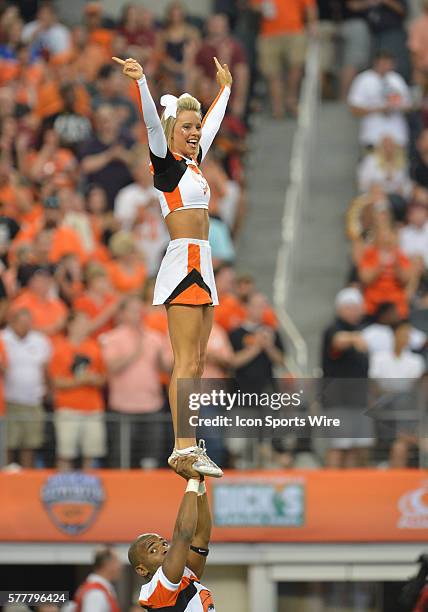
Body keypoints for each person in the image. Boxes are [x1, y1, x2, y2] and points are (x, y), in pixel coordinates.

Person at [112, 54, 233, 477]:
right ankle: (182, 446)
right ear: (171, 132)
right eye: (187, 127)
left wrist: (226, 90)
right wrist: (142, 83)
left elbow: (213, 125)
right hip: (184, 262)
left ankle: (190, 441)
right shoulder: (165, 168)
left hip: (205, 263)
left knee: (198, 363)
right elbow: (149, 125)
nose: (196, 133)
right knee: (184, 360)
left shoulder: (194, 166)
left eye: (196, 127)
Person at [128, 455, 216, 611]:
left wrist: (200, 483)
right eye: (153, 550)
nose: (163, 548)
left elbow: (201, 538)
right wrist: (192, 480)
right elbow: (184, 535)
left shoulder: (185, 575)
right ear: (142, 569)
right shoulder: (159, 589)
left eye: (163, 543)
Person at [321, 288, 373, 468]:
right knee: (338, 446)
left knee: (355, 448)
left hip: (358, 399)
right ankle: (331, 489)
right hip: (338, 401)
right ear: (340, 309)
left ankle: (350, 490)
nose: (354, 311)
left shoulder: (360, 330)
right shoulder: (334, 328)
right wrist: (354, 338)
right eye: (349, 307)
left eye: (356, 307)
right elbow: (337, 340)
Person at [49, 311, 107, 471]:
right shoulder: (60, 348)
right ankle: (62, 490)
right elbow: (56, 381)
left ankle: (90, 491)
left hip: (93, 408)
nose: (85, 326)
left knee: (91, 454)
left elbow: (103, 378)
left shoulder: (95, 347)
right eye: (81, 323)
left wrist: (93, 380)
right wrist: (81, 381)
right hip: (67, 408)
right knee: (65, 453)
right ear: (71, 325)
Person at [2, 307, 51, 468]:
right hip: (10, 399)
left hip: (33, 400)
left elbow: (45, 369)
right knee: (9, 442)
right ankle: (6, 476)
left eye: (28, 322)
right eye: (22, 322)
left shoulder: (40, 340)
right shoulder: (3, 338)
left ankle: (27, 477)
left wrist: (47, 390)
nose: (26, 326)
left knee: (30, 443)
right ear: (12, 322)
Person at [348, 51, 411, 148]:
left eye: (389, 63)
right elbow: (354, 109)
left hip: (397, 138)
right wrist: (379, 109)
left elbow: (408, 105)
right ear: (376, 63)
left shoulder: (397, 79)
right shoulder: (364, 79)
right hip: (373, 137)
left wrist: (396, 106)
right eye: (383, 63)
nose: (386, 66)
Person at [72, 547, 122, 612]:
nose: (120, 566)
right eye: (117, 562)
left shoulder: (94, 589)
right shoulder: (96, 593)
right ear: (107, 564)